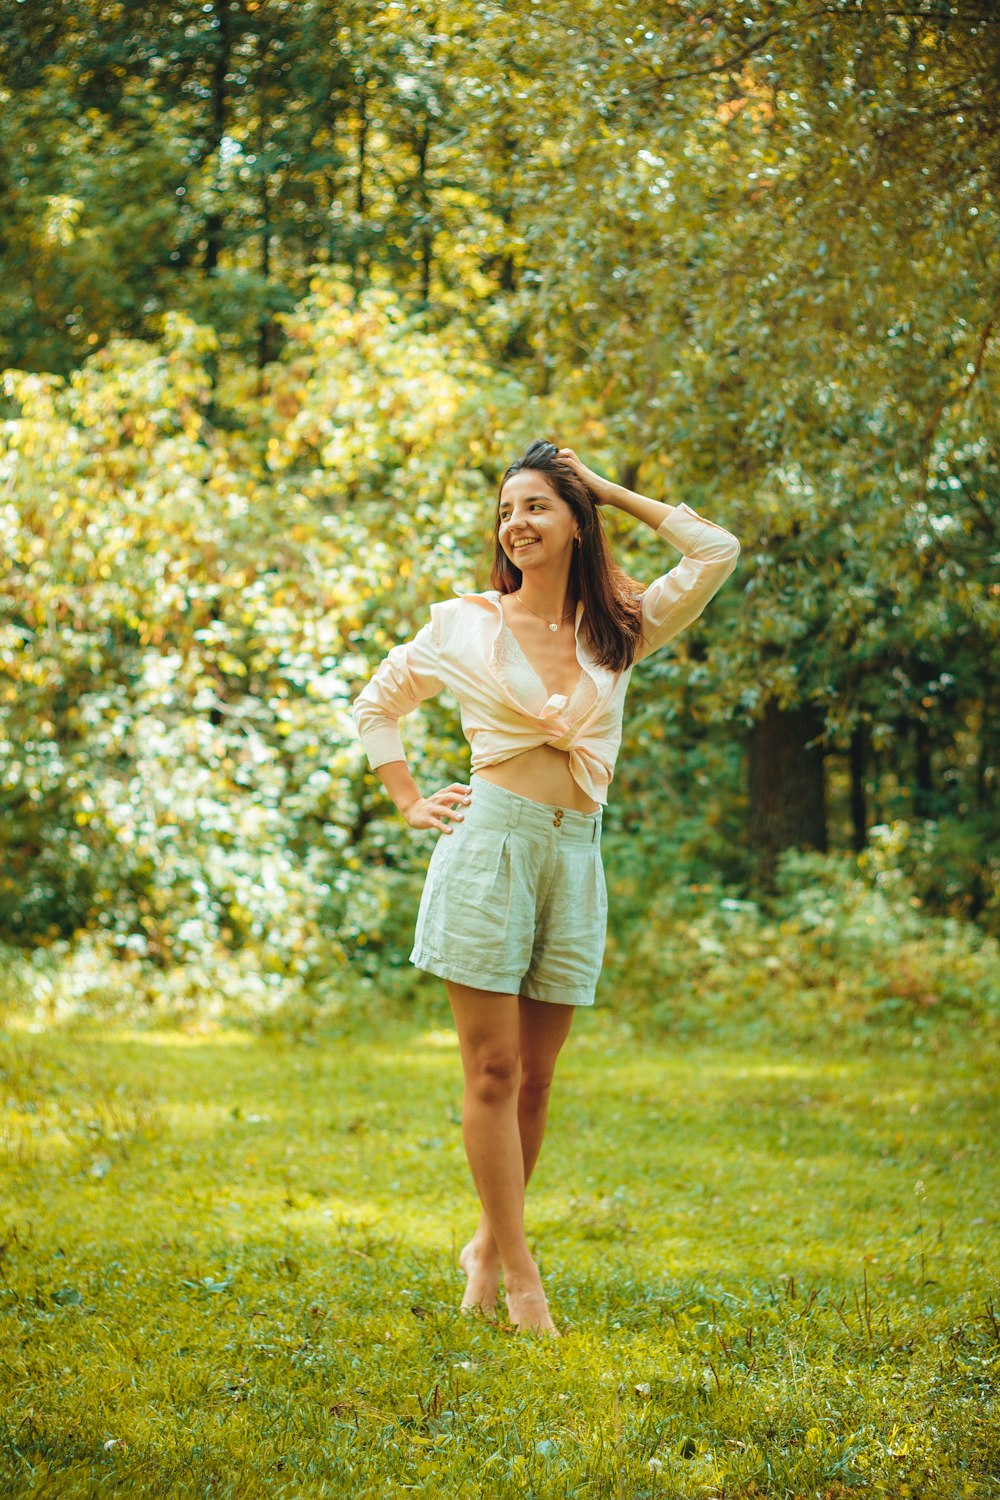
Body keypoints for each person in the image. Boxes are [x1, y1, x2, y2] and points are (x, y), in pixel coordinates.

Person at [350, 440, 740, 1335]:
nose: (515, 524)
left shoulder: (623, 626)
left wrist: (603, 485)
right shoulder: (463, 625)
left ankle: (486, 1244)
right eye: (506, 510)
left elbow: (715, 550)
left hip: (575, 855)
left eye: (536, 506)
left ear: (575, 523)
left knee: (537, 1083)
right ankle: (521, 1273)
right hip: (489, 849)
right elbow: (378, 703)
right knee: (493, 1070)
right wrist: (408, 799)